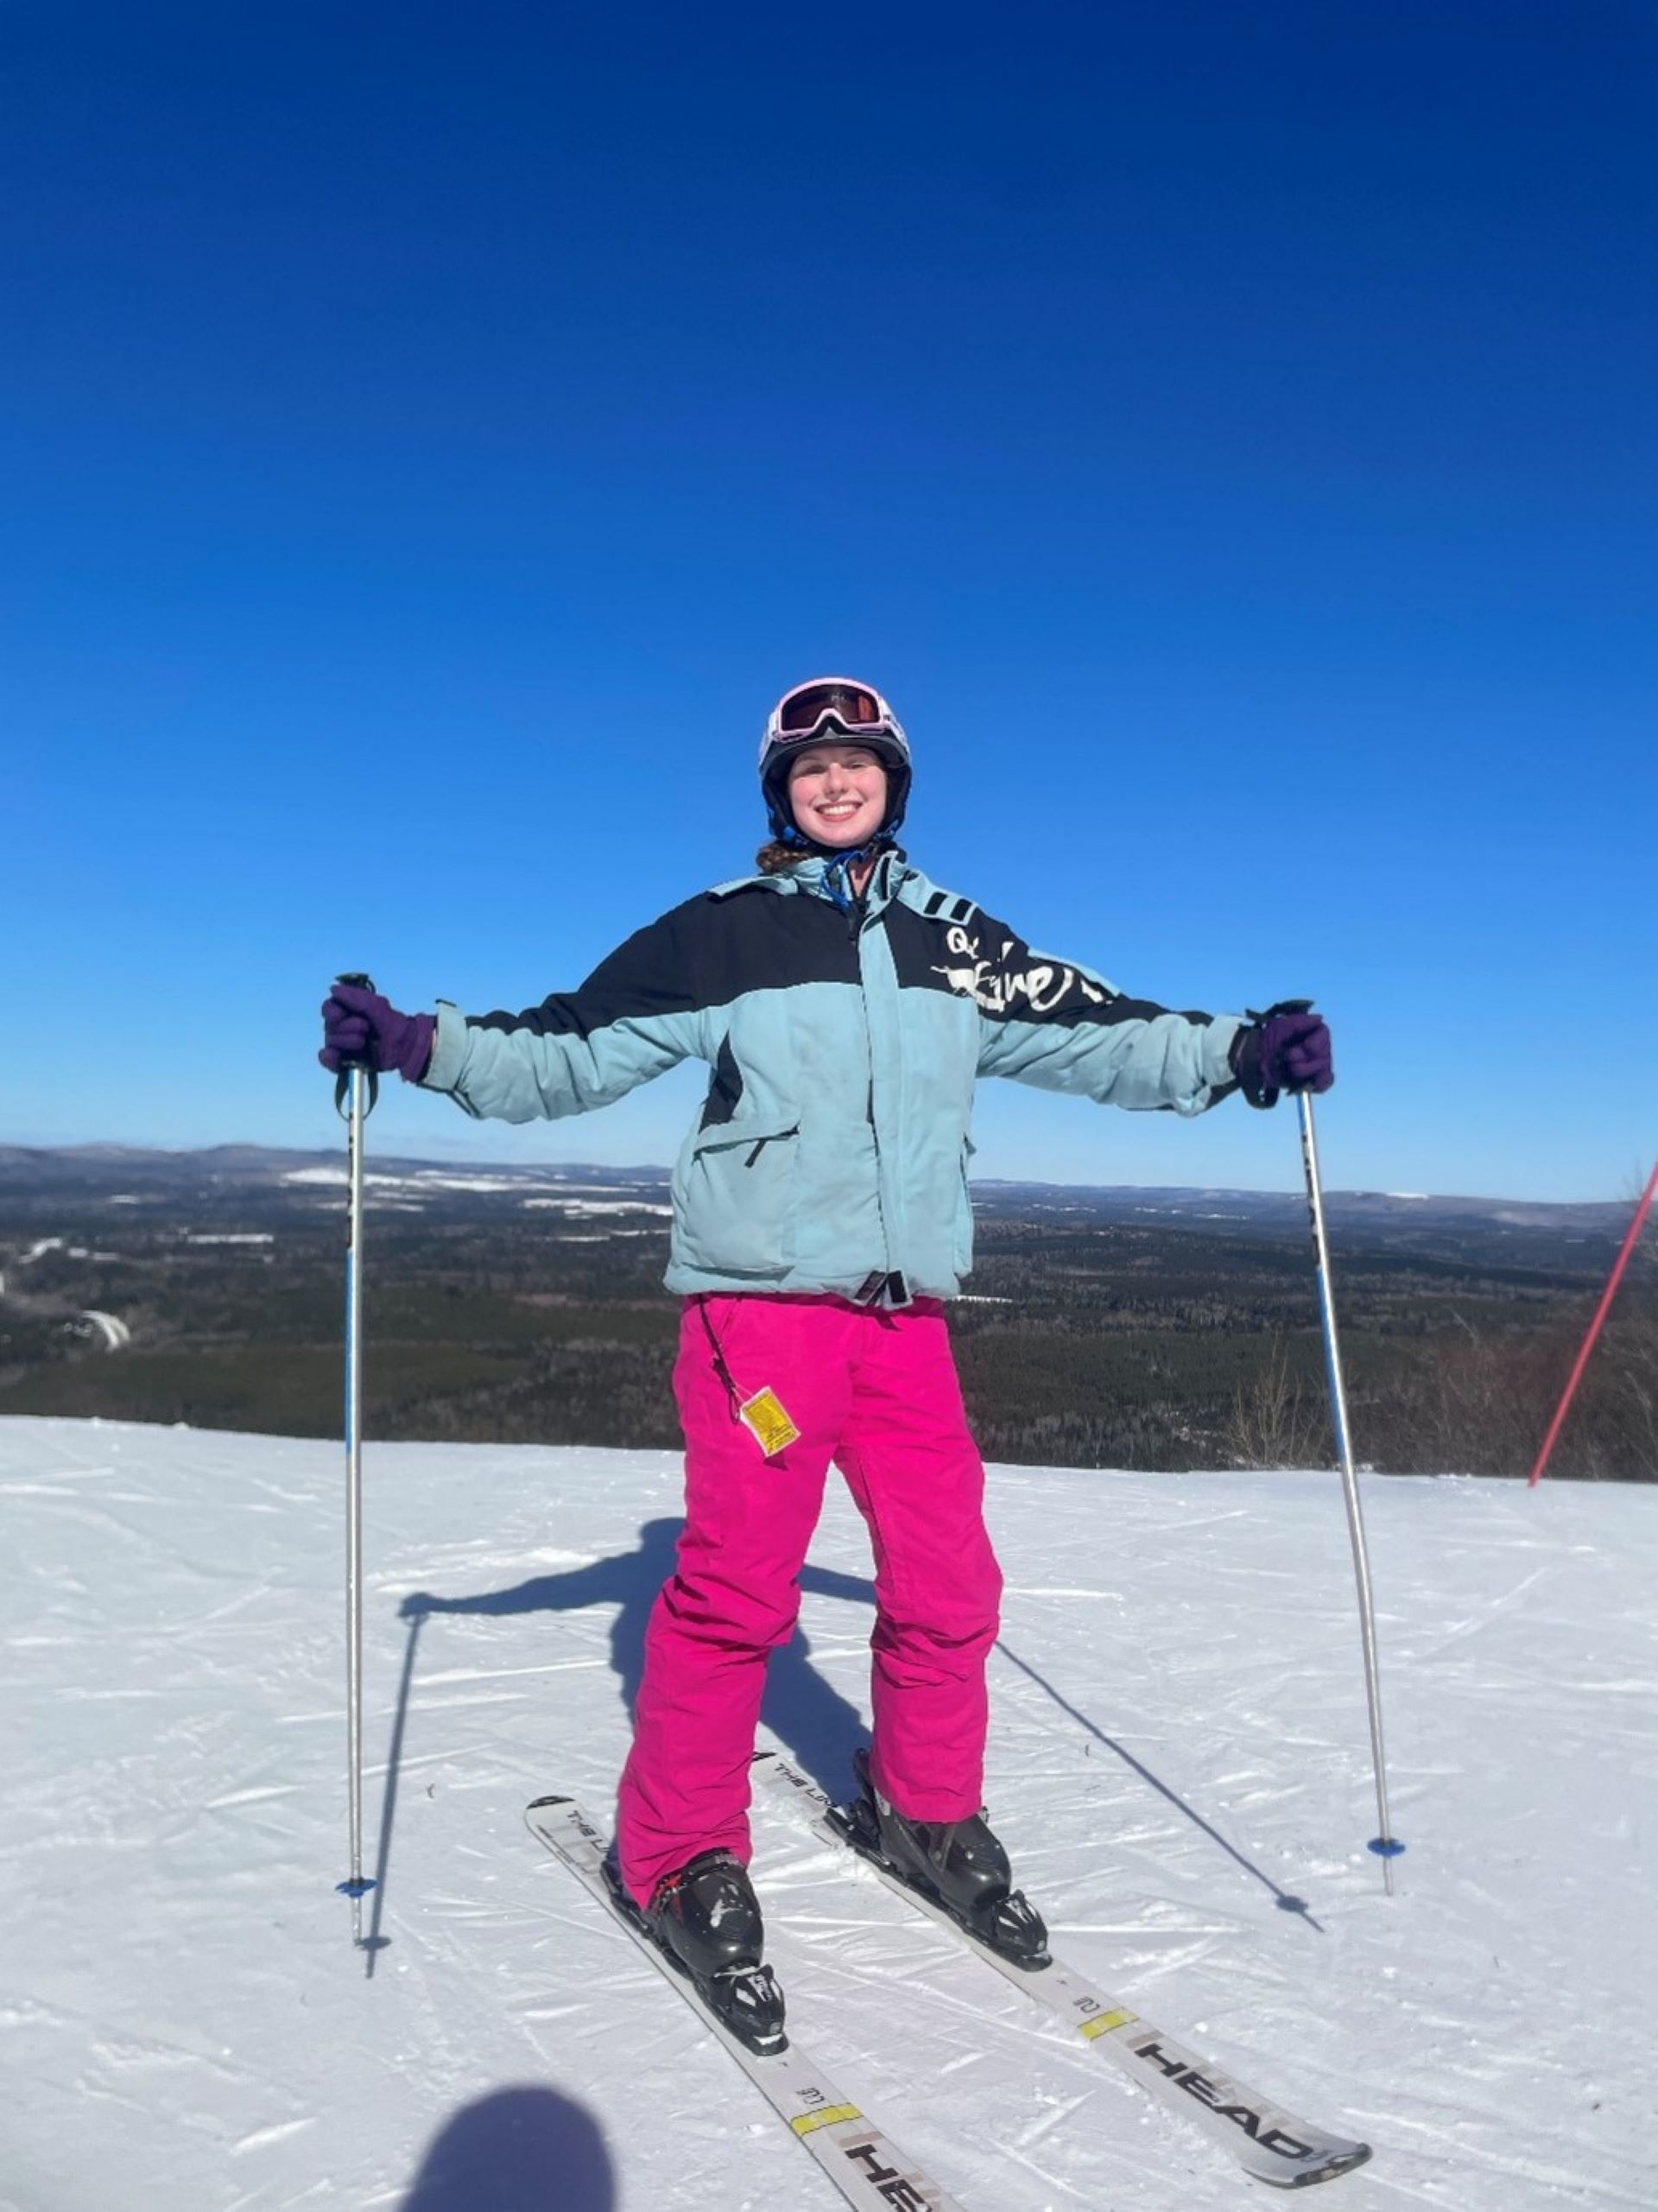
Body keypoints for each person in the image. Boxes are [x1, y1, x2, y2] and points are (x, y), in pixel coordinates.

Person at [320, 676, 1332, 2048]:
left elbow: (1102, 1031)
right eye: (810, 765)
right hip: (764, 1319)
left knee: (952, 1579)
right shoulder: (721, 934)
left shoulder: (953, 937)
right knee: (738, 1585)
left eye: (859, 760)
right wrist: (423, 1045)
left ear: (894, 782)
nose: (836, 779)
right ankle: (675, 1851)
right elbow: (567, 1053)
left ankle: (924, 1804)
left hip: (904, 1320)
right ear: (778, 793)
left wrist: (1239, 1053)